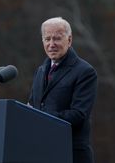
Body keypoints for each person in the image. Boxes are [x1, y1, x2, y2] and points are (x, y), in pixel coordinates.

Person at [28, 17, 98, 163]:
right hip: (41, 152)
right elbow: (32, 106)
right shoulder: (40, 71)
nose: (51, 44)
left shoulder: (85, 71)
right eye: (47, 39)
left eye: (57, 39)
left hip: (71, 154)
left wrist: (41, 118)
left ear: (69, 40)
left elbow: (78, 115)